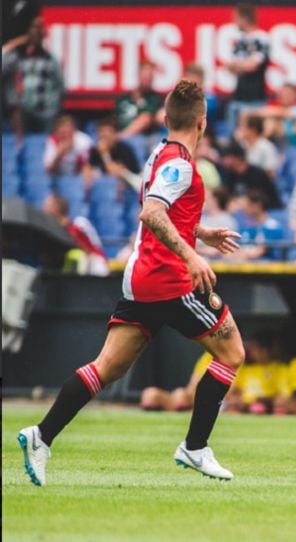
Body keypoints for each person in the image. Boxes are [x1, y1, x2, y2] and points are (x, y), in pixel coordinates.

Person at [18, 80, 246, 485]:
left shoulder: (161, 151)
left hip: (140, 276)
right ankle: (195, 448)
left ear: (164, 117)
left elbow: (165, 213)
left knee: (108, 366)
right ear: (202, 123)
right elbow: (152, 214)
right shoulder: (180, 165)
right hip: (168, 279)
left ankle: (41, 435)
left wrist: (201, 232)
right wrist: (192, 254)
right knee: (231, 352)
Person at [1, 15, 64, 134]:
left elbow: (61, 86)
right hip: (24, 111)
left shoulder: (50, 58)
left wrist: (52, 107)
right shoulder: (18, 57)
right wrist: (17, 42)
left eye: (39, 29)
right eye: (33, 28)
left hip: (46, 113)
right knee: (26, 145)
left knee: (45, 144)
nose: (36, 32)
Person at [226, 2, 270, 133]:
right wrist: (242, 65)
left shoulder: (261, 38)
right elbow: (231, 68)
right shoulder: (240, 41)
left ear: (245, 18)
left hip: (255, 98)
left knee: (251, 133)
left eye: (236, 18)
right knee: (233, 136)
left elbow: (253, 65)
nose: (234, 21)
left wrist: (240, 65)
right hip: (238, 96)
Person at [42, 194, 109, 276]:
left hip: (92, 265)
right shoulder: (50, 228)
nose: (43, 207)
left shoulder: (77, 226)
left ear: (56, 208)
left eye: (47, 205)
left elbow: (88, 250)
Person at [82, 116, 141, 190]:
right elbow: (87, 170)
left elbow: (115, 172)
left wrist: (104, 154)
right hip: (104, 188)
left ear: (115, 134)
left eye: (107, 132)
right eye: (100, 131)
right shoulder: (96, 150)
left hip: (129, 189)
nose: (102, 135)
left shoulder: (125, 149)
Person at [140, 352, 212, 411]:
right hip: (191, 398)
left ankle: (184, 411)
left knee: (180, 396)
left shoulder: (221, 356)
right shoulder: (208, 356)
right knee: (150, 394)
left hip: (208, 403)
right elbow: (192, 387)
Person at [220, 143, 281, 209]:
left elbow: (266, 199)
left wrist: (244, 202)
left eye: (226, 158)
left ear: (237, 158)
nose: (224, 161)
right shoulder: (229, 176)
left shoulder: (258, 174)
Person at [115, 60, 163, 137]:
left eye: (150, 76)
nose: (147, 79)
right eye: (145, 76)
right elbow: (115, 117)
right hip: (117, 130)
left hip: (139, 138)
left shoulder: (155, 99)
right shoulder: (124, 98)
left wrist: (119, 137)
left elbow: (146, 118)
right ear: (139, 75)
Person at [236, 113, 280, 178]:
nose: (239, 129)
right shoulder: (240, 144)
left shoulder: (267, 147)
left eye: (242, 126)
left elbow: (271, 173)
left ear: (253, 130)